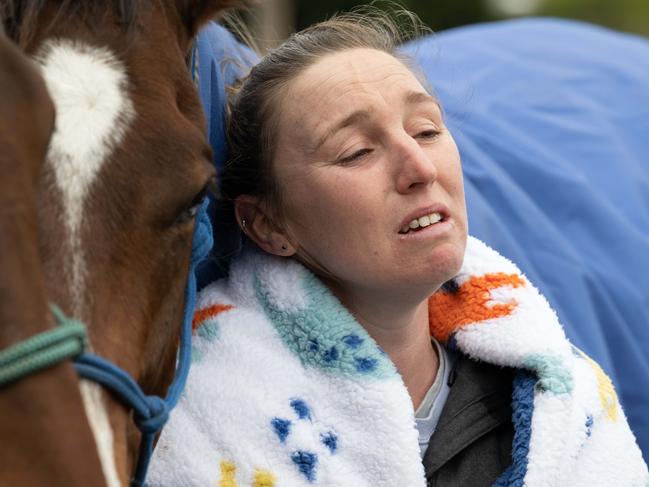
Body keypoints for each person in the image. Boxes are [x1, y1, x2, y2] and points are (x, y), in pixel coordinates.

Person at [148, 10, 648, 486]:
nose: (420, 168)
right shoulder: (204, 425)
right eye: (357, 152)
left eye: (427, 130)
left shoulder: (561, 397)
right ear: (267, 224)